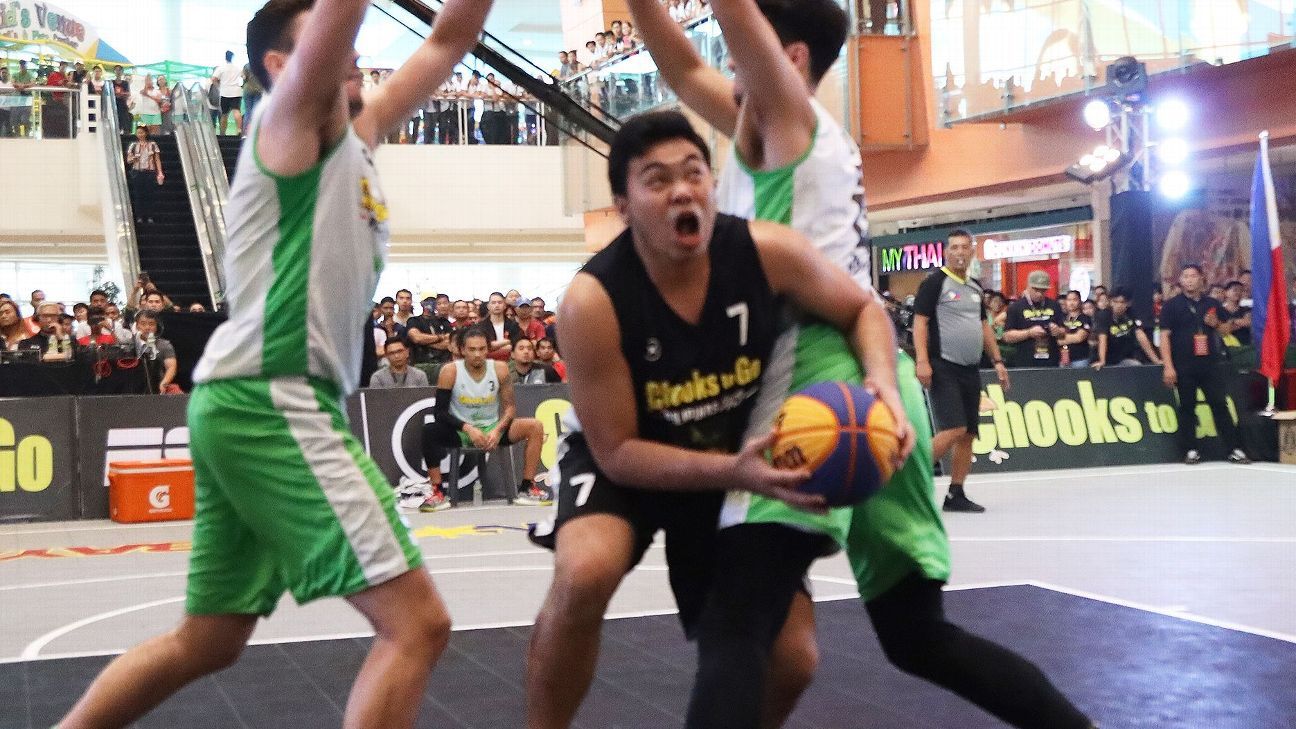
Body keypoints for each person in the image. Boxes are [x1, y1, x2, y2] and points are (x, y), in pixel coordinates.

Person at [627, 3, 1094, 728]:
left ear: (791, 58)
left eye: (741, 50)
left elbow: (729, 18)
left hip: (814, 387)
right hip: (882, 391)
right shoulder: (778, 130)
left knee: (734, 621)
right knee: (917, 637)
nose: (725, 62)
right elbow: (682, 67)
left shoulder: (790, 121)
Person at [56, 0, 496, 726]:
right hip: (272, 398)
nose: (355, 55)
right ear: (280, 66)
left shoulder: (359, 135)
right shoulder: (287, 123)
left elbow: (450, 37)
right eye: (334, 44)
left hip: (245, 400)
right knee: (417, 624)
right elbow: (339, 21)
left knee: (208, 639)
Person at [525, 111, 888, 729]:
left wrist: (885, 388)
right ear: (623, 207)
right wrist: (734, 472)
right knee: (586, 572)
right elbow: (618, 452)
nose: (682, 190)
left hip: (732, 458)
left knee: (793, 661)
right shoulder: (591, 301)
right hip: (631, 458)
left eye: (694, 173)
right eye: (658, 180)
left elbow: (862, 309)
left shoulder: (766, 251)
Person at [913, 229, 1009, 515]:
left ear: (972, 252)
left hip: (970, 369)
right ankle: (902, 478)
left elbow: (984, 326)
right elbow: (920, 323)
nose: (959, 252)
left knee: (967, 434)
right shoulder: (935, 283)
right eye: (954, 247)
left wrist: (998, 361)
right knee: (953, 429)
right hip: (943, 365)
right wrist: (922, 361)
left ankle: (956, 494)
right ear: (946, 251)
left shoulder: (976, 287)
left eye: (964, 247)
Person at [419, 326, 550, 512]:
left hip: (492, 428)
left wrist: (497, 430)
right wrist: (468, 429)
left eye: (481, 349)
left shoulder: (500, 369)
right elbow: (440, 413)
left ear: (488, 349)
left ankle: (527, 487)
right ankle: (437, 492)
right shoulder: (450, 371)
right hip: (461, 431)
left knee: (535, 426)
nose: (477, 354)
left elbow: (510, 408)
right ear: (462, 350)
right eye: (472, 349)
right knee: (429, 430)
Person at [1159, 264, 1250, 465]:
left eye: (1193, 276)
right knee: (1187, 407)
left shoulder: (1212, 303)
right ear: (1180, 281)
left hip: (1210, 364)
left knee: (1220, 405)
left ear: (1201, 279)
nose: (1189, 280)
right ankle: (1190, 449)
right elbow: (1164, 337)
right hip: (1183, 365)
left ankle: (1233, 448)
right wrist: (1168, 366)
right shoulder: (1171, 306)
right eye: (1185, 276)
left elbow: (1226, 330)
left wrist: (1215, 324)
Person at [1002, 270, 1065, 368]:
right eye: (1036, 290)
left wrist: (1058, 331)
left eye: (1043, 290)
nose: (1039, 294)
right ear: (1028, 286)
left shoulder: (1054, 305)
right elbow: (1007, 336)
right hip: (1025, 361)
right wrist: (1029, 333)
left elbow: (1063, 332)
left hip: (1051, 360)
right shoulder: (1016, 307)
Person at [1092, 287, 1161, 369]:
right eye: (1115, 301)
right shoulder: (1103, 315)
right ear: (1110, 302)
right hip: (1105, 358)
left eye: (1122, 302)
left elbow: (1141, 336)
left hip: (1124, 358)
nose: (1119, 305)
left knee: (1136, 366)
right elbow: (1102, 338)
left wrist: (1156, 360)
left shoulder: (1131, 313)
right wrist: (1102, 361)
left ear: (1128, 303)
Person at [133, 310, 179, 393]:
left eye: (151, 324)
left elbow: (171, 367)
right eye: (143, 324)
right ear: (137, 326)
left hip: (156, 387)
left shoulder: (164, 345)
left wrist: (164, 383)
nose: (147, 327)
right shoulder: (130, 344)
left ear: (157, 326)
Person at [125, 126, 164, 224]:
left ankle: (150, 215)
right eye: (138, 133)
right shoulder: (133, 145)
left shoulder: (153, 145)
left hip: (149, 172)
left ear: (146, 133)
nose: (140, 135)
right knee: (138, 195)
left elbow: (157, 159)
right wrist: (133, 159)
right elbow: (128, 160)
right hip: (137, 172)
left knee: (149, 194)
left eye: (142, 132)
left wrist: (160, 172)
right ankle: (139, 216)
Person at [211, 50, 244, 135]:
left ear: (225, 57)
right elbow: (244, 76)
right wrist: (241, 86)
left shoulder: (221, 68)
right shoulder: (237, 68)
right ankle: (239, 130)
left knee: (224, 114)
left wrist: (219, 86)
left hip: (225, 92)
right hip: (236, 92)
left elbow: (213, 79)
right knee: (236, 111)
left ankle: (222, 133)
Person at [1059, 289, 1093, 368]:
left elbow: (1079, 337)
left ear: (1080, 301)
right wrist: (1072, 337)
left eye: (1074, 300)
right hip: (1062, 358)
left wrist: (1063, 337)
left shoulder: (1085, 318)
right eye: (1069, 300)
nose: (1071, 303)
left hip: (1080, 359)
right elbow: (1056, 339)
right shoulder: (1061, 318)